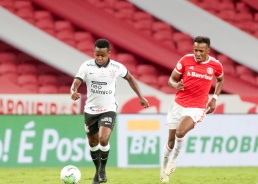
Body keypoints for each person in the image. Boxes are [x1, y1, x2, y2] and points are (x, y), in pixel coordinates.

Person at [70, 38, 150, 184]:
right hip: (90, 110)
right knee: (93, 144)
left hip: (109, 108)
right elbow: (76, 82)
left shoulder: (117, 67)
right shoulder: (86, 66)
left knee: (103, 139)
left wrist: (141, 97)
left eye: (102, 55)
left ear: (109, 54)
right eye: (97, 55)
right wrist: (73, 91)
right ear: (94, 53)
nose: (99, 58)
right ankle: (97, 171)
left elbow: (130, 79)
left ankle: (102, 170)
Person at [160, 36, 224, 183]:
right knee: (170, 141)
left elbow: (220, 79)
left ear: (208, 50)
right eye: (195, 50)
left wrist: (215, 98)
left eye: (201, 51)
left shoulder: (215, 65)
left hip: (196, 107)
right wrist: (175, 85)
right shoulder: (185, 60)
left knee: (180, 131)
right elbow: (171, 79)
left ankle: (174, 160)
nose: (197, 54)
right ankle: (163, 172)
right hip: (178, 104)